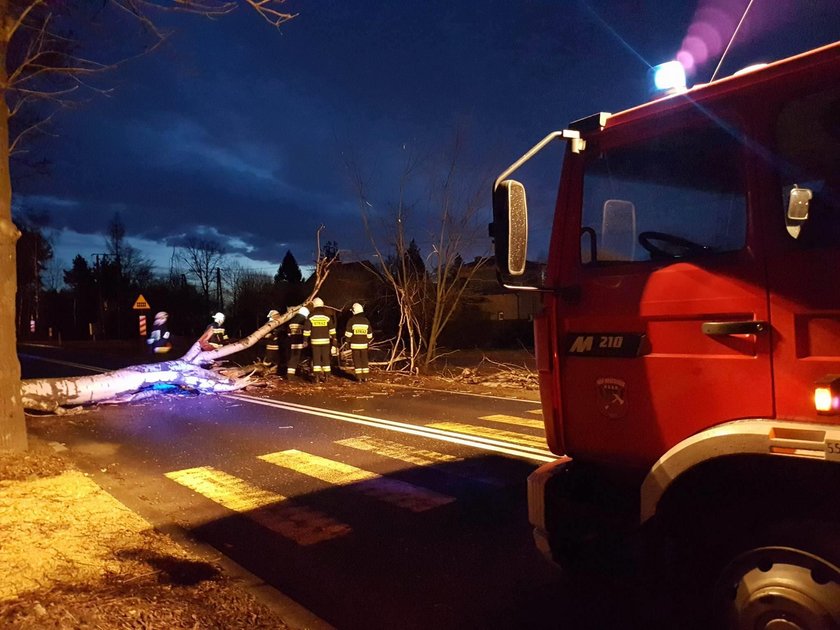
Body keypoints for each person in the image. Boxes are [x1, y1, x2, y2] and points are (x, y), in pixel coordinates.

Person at [303, 297, 336, 382]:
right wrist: (334, 338)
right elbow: (332, 330)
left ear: (314, 306)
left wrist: (305, 340)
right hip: (326, 341)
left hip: (315, 341)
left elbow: (307, 330)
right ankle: (327, 377)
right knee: (326, 358)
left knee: (316, 358)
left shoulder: (311, 316)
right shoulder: (327, 316)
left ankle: (317, 377)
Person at [344, 302, 373, 381]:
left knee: (357, 360)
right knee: (364, 360)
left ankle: (359, 377)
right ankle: (366, 377)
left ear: (354, 311)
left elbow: (348, 333)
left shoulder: (352, 321)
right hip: (364, 345)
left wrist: (347, 342)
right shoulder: (366, 321)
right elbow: (370, 334)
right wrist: (367, 341)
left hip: (355, 345)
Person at [284, 306, 309, 380]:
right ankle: (290, 376)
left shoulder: (291, 320)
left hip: (291, 342)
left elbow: (288, 333)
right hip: (299, 342)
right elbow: (306, 331)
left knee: (292, 357)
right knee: (295, 358)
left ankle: (290, 373)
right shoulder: (303, 320)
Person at [263, 309, 281, 375]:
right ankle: (263, 370)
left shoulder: (281, 323)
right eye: (276, 315)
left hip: (278, 345)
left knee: (278, 360)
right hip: (271, 345)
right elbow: (264, 334)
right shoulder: (268, 324)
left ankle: (275, 371)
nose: (278, 316)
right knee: (268, 359)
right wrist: (272, 336)